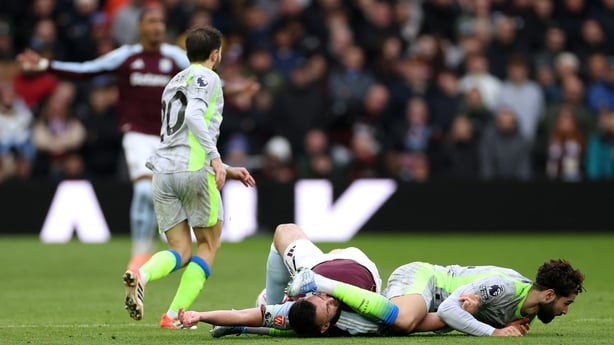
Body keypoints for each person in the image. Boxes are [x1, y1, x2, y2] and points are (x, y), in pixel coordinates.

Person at [16, 5, 190, 271]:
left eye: (161, 22)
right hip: (137, 136)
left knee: (169, 196)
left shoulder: (176, 57)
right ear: (141, 26)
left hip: (171, 139)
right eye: (152, 21)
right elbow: (87, 70)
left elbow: (205, 81)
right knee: (144, 191)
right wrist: (46, 65)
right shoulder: (127, 56)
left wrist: (233, 90)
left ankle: (169, 249)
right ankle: (140, 255)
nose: (157, 27)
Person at [121, 25, 256, 330]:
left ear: (185, 53)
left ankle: (141, 274)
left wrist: (226, 168)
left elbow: (180, 130)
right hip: (194, 170)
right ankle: (172, 315)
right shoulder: (210, 77)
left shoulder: (173, 82)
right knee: (209, 245)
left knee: (180, 251)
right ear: (216, 54)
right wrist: (217, 160)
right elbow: (194, 117)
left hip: (163, 172)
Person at [288, 258, 584, 336]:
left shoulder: (528, 309)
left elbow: (454, 316)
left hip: (436, 306)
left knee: (377, 328)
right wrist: (494, 332)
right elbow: (449, 308)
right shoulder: (503, 288)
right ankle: (319, 282)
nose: (565, 312)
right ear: (548, 294)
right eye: (565, 303)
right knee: (402, 321)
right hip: (424, 279)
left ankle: (270, 314)